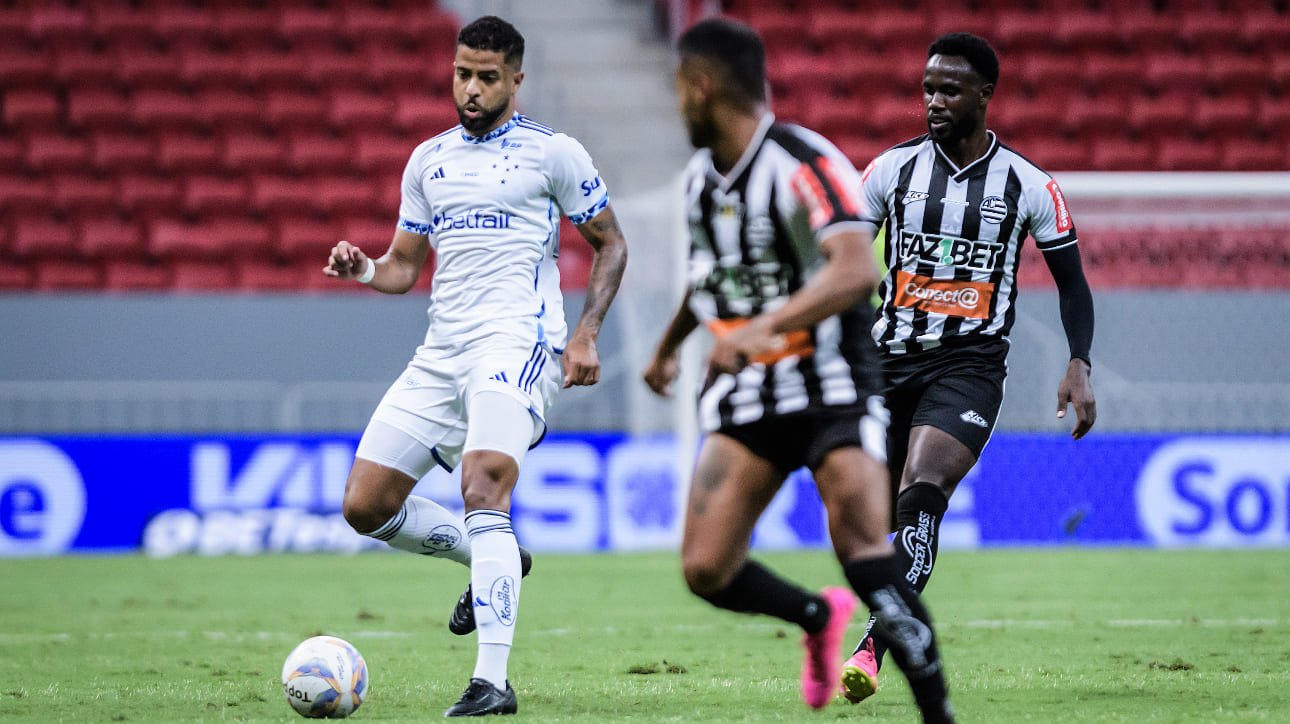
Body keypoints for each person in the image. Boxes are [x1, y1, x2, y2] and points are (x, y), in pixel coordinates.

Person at [643, 18, 953, 720]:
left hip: (832, 383)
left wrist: (758, 328)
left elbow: (854, 271)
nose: (676, 105)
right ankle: (816, 617)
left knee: (864, 551)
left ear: (701, 86)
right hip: (749, 391)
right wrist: (668, 346)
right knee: (705, 569)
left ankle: (938, 712)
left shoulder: (802, 162)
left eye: (677, 91)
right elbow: (714, 279)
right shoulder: (698, 182)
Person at [325, 15, 628, 717]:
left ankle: (492, 681)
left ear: (516, 80)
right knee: (364, 506)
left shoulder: (555, 153)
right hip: (441, 354)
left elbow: (611, 244)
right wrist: (362, 266)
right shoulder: (428, 159)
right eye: (462, 73)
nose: (471, 88)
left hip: (517, 344)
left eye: (487, 77)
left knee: (483, 482)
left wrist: (585, 334)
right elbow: (404, 267)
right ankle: (493, 557)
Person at [840, 32, 1097, 705]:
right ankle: (886, 618)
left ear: (986, 94)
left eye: (949, 89)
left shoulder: (1030, 185)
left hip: (970, 367)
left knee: (922, 490)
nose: (933, 101)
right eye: (927, 88)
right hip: (886, 366)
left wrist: (1078, 362)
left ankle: (873, 645)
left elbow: (1072, 285)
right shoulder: (889, 172)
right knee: (872, 524)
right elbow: (838, 262)